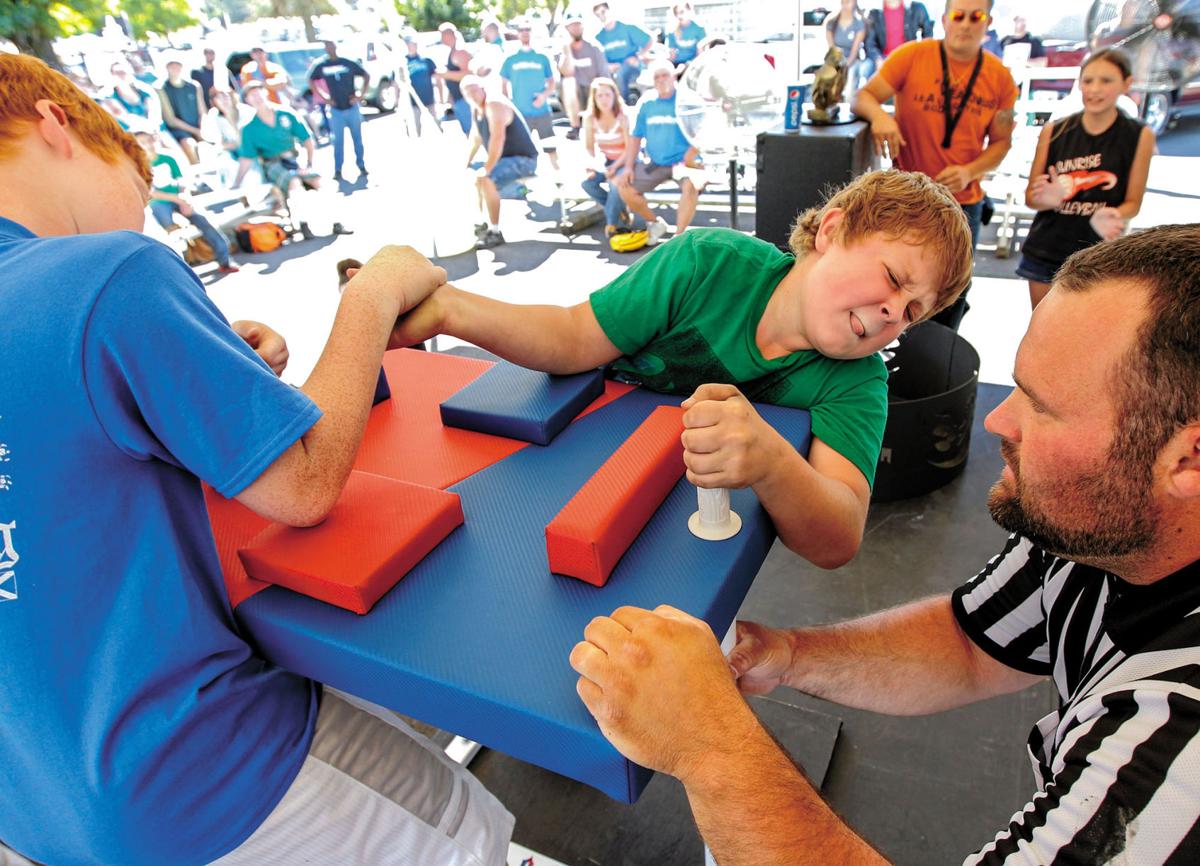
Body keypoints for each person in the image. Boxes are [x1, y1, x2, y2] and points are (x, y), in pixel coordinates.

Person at [0, 52, 513, 866]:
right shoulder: (109, 274)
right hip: (192, 773)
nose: (143, 225)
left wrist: (202, 386)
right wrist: (370, 295)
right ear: (58, 125)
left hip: (30, 810)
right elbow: (305, 482)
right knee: (469, 833)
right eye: (137, 192)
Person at [567, 222, 1200, 866]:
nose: (997, 421)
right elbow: (969, 642)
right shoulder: (1098, 533)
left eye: (1044, 407)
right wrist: (787, 654)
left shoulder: (1177, 744)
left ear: (1190, 458)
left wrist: (711, 746)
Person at [393, 170, 974, 566]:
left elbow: (840, 535)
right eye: (894, 279)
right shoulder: (704, 264)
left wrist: (771, 461)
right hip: (557, 469)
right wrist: (451, 310)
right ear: (831, 230)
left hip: (679, 530)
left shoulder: (857, 380)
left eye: (912, 313)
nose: (892, 313)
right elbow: (571, 338)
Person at [855, 0, 1017, 330]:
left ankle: (938, 362)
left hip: (963, 202)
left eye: (977, 16)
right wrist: (880, 117)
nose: (967, 24)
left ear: (988, 22)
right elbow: (863, 96)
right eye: (959, 16)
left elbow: (1001, 143)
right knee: (893, 280)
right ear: (944, 19)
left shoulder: (1000, 78)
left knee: (950, 290)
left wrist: (969, 171)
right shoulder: (911, 56)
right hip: (907, 198)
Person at [1019, 49, 1154, 309]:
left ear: (1126, 84)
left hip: (1098, 255)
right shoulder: (1055, 131)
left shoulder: (1138, 136)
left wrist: (1114, 215)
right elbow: (1031, 198)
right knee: (1044, 332)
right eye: (1088, 80)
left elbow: (1133, 202)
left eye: (1106, 80)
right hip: (1047, 250)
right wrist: (1044, 199)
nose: (1094, 89)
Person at [232, 81, 349, 238]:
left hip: (294, 158)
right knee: (294, 182)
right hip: (273, 163)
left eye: (258, 92)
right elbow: (246, 158)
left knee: (320, 181)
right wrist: (237, 182)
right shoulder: (249, 128)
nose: (257, 97)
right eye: (252, 95)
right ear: (247, 100)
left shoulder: (286, 113)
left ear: (265, 92)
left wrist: (309, 163)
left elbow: (307, 140)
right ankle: (303, 224)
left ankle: (337, 222)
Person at [615, 59, 704, 245]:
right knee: (623, 186)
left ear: (674, 77)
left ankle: (678, 238)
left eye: (665, 75)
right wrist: (629, 167)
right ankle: (655, 223)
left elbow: (703, 131)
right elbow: (635, 137)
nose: (661, 79)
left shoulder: (688, 100)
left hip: (684, 163)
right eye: (657, 76)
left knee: (691, 186)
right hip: (656, 163)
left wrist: (692, 153)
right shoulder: (646, 103)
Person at [136, 130, 239, 275]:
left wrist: (185, 198)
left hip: (179, 197)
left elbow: (182, 183)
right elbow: (150, 192)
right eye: (142, 142)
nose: (148, 145)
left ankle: (225, 259)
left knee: (203, 220)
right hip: (160, 202)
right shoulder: (138, 165)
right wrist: (177, 199)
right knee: (169, 231)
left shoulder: (168, 158)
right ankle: (180, 271)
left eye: (149, 140)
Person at [462, 75, 539, 250]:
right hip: (504, 159)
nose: (472, 95)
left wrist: (487, 169)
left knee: (487, 179)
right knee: (477, 178)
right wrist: (465, 163)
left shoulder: (494, 104)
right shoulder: (477, 109)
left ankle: (495, 232)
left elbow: (498, 138)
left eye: (475, 89)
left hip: (523, 160)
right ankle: (481, 222)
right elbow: (475, 139)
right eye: (468, 93)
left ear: (483, 88)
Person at [308, 40, 370, 182]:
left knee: (357, 139)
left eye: (331, 45)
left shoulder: (347, 62)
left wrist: (360, 95)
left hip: (351, 106)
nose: (330, 49)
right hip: (336, 109)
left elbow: (365, 75)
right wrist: (325, 97)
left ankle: (361, 165)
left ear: (335, 47)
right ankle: (338, 169)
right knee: (338, 141)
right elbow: (310, 80)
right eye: (327, 46)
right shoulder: (322, 65)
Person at [500, 20, 558, 166]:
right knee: (523, 150)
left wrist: (543, 96)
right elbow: (503, 86)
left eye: (528, 29)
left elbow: (552, 82)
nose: (525, 32)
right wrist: (509, 107)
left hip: (542, 111)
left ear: (532, 32)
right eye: (521, 30)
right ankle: (525, 183)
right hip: (521, 114)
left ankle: (558, 178)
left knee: (550, 147)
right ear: (517, 34)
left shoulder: (542, 57)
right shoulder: (510, 59)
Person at [580, 77, 632, 236]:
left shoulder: (623, 116)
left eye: (607, 95)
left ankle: (611, 225)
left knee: (614, 184)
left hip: (625, 160)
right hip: (606, 161)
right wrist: (592, 166)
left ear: (614, 96)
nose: (604, 99)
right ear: (594, 98)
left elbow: (631, 148)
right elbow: (589, 147)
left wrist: (614, 168)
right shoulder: (590, 118)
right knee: (587, 184)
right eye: (599, 95)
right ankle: (620, 209)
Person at [559, 9, 609, 140]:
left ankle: (600, 122)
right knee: (568, 83)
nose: (575, 28)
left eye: (578, 24)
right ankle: (575, 126)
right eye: (572, 25)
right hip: (576, 94)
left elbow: (604, 76)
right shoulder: (564, 49)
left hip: (594, 91)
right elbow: (566, 72)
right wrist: (567, 51)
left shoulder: (594, 47)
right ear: (567, 28)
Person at [592, 1, 652, 104]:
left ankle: (623, 106)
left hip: (631, 66)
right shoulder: (599, 37)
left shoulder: (627, 28)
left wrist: (638, 56)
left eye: (603, 12)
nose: (602, 16)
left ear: (609, 10)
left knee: (621, 74)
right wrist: (607, 66)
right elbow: (598, 60)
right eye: (598, 15)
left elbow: (649, 40)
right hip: (612, 69)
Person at [158, 56, 206, 165]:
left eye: (177, 65)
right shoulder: (161, 88)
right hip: (180, 130)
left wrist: (202, 129)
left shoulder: (194, 86)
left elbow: (202, 111)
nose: (175, 68)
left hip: (199, 127)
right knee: (188, 144)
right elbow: (170, 119)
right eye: (172, 65)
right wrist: (195, 131)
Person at [864, 0, 933, 67]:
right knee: (866, 67)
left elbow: (928, 34)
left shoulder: (916, 8)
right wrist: (877, 59)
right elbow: (870, 44)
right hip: (884, 60)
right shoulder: (874, 13)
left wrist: (919, 55)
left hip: (908, 58)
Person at [824, 0, 868, 100]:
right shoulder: (831, 23)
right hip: (835, 59)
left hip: (851, 61)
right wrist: (837, 65)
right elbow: (832, 48)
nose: (846, 4)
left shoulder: (859, 24)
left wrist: (845, 66)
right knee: (829, 78)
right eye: (843, 2)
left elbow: (855, 50)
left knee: (850, 81)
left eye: (849, 2)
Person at [436, 22, 474, 134]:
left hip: (466, 100)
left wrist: (445, 74)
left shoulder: (459, 51)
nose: (441, 38)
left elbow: (468, 75)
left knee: (473, 133)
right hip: (459, 100)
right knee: (469, 132)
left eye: (442, 35)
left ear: (449, 35)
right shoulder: (453, 51)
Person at [403, 29, 439, 136]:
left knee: (436, 124)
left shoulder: (426, 60)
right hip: (412, 101)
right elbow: (397, 84)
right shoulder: (403, 62)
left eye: (414, 43)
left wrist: (440, 97)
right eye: (409, 44)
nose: (412, 46)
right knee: (415, 128)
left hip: (429, 98)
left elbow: (437, 77)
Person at [667, 2, 707, 67]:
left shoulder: (699, 29)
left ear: (690, 11)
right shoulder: (672, 31)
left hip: (693, 65)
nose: (679, 16)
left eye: (682, 12)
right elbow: (672, 54)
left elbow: (701, 54)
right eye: (676, 13)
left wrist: (690, 64)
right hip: (677, 64)